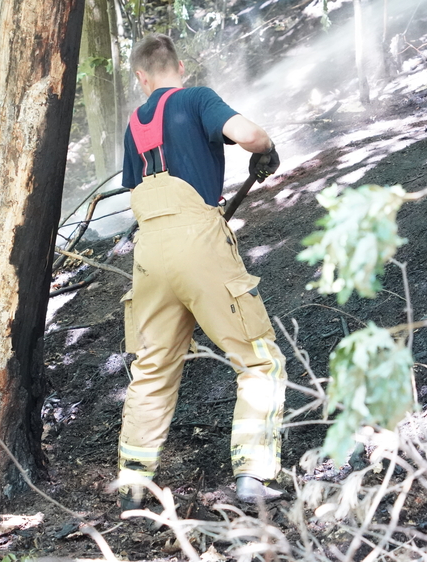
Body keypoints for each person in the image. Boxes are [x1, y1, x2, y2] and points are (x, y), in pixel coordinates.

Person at [117, 33, 287, 509]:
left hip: (148, 251)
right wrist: (267, 145)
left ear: (141, 76)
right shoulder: (197, 98)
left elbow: (140, 188)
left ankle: (133, 484)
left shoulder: (133, 123)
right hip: (199, 241)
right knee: (258, 360)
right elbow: (248, 135)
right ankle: (253, 475)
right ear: (182, 67)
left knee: (151, 368)